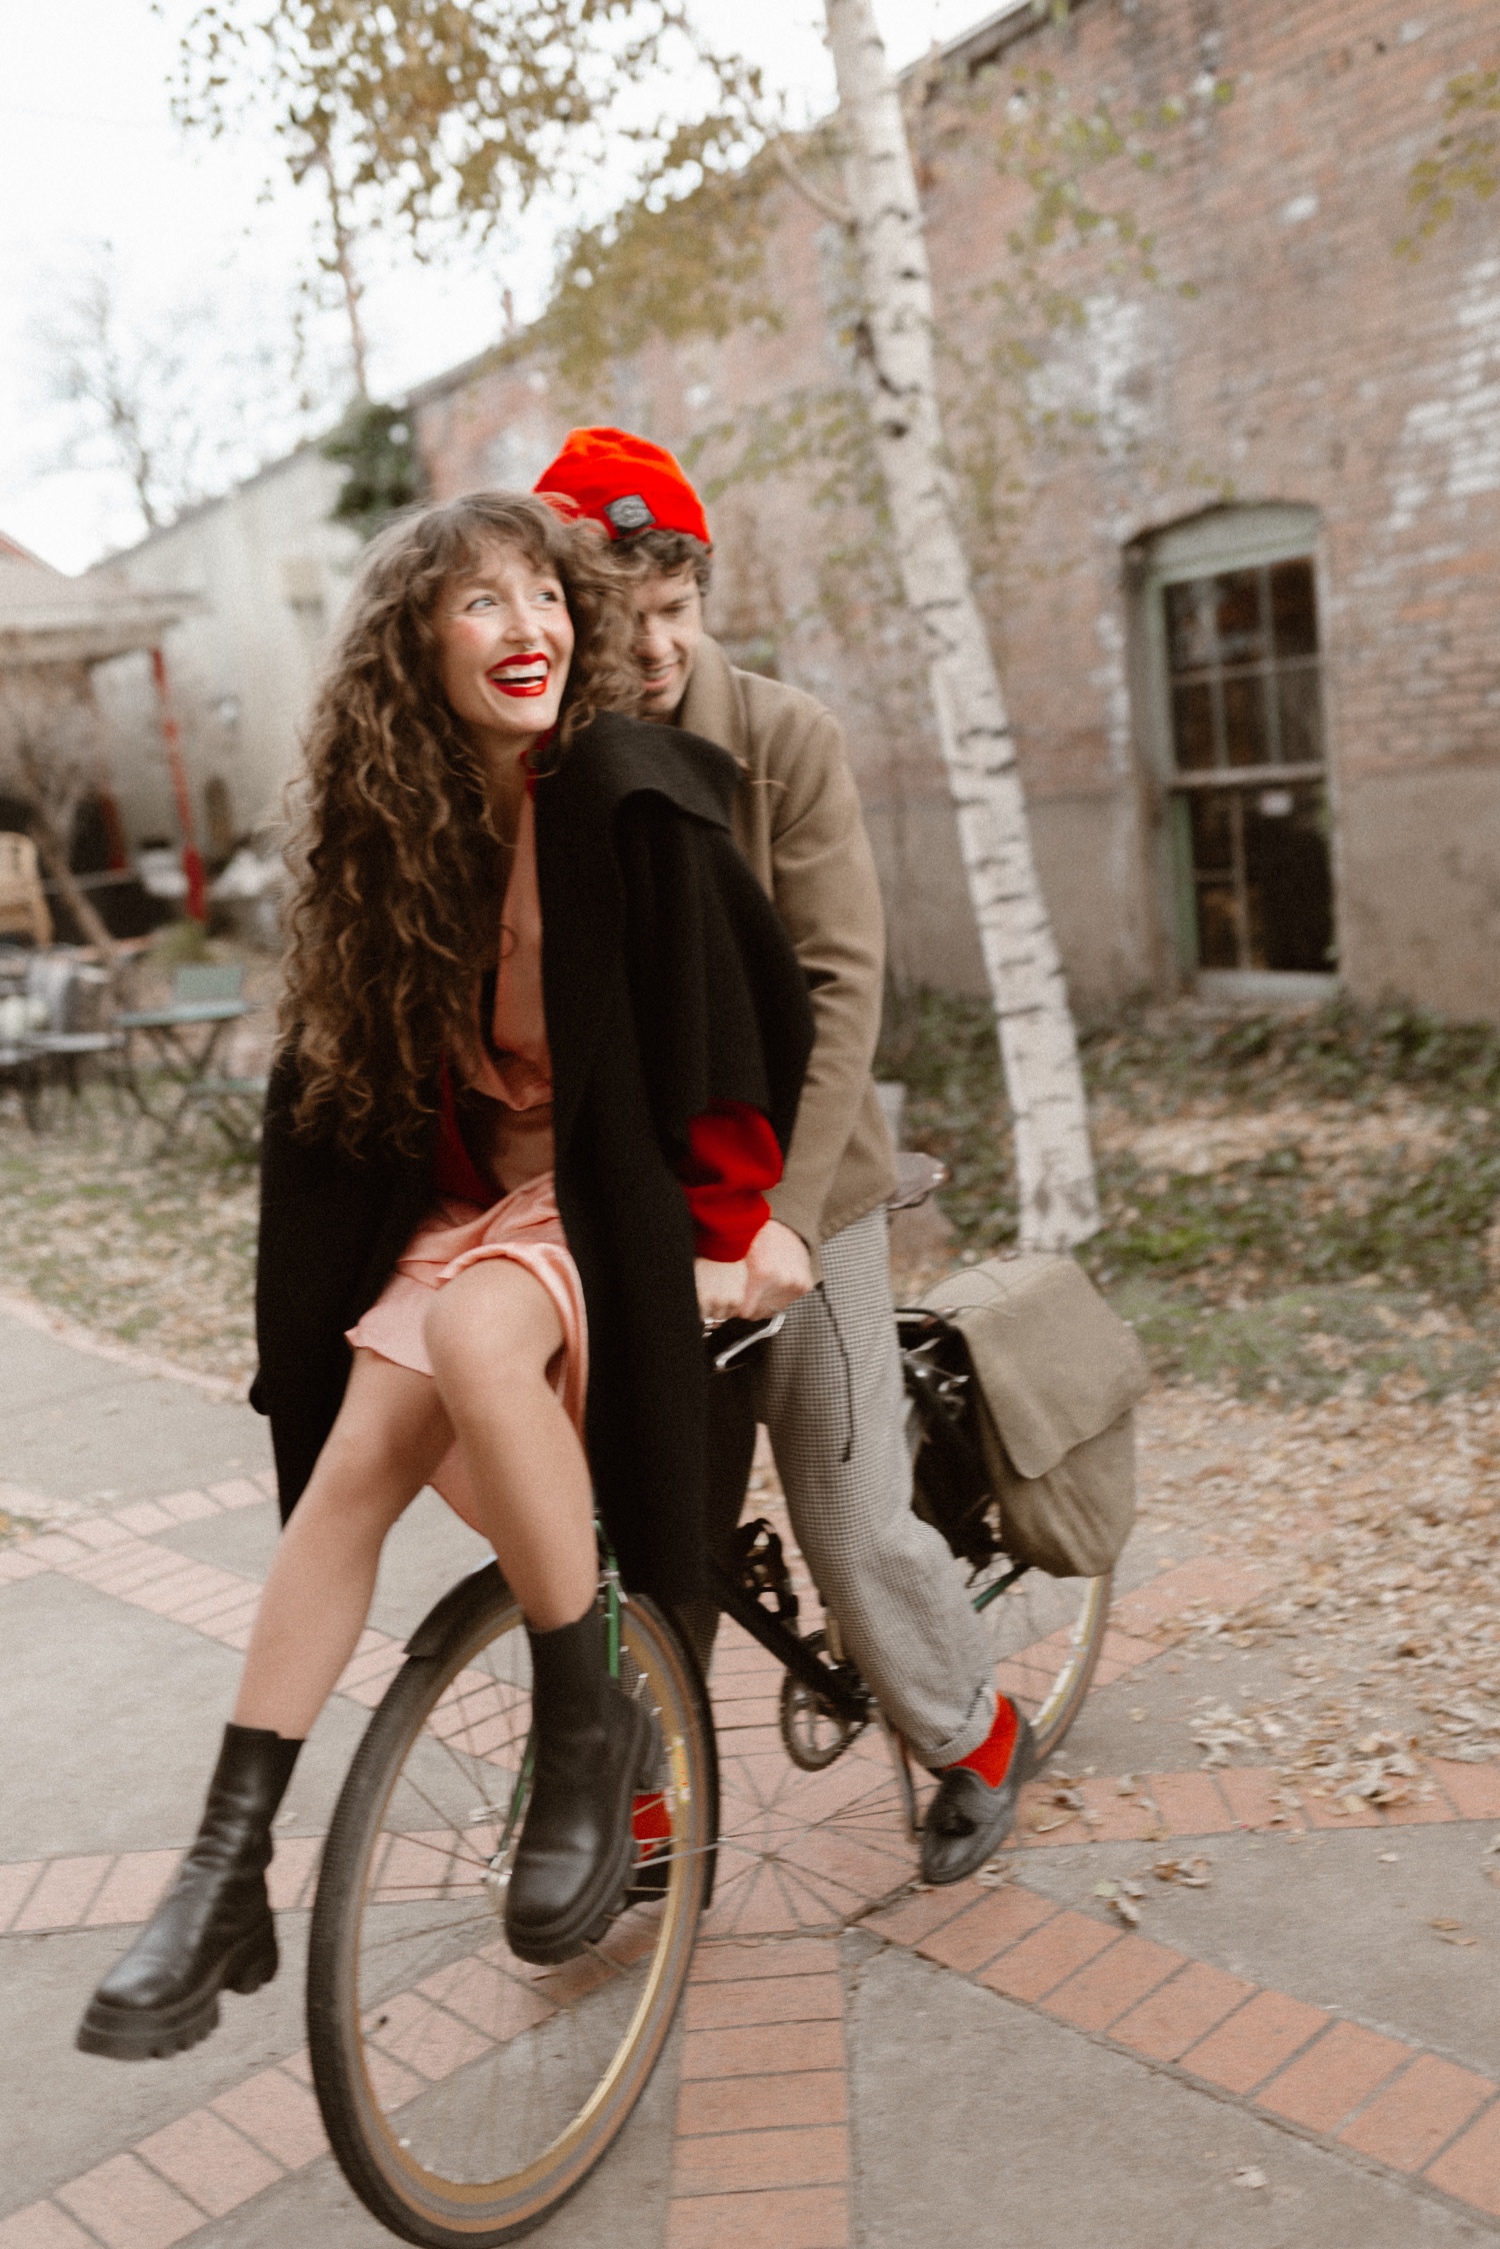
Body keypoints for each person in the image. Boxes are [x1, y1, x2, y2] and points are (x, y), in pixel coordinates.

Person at [76, 491, 812, 2063]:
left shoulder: (621, 785)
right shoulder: (385, 835)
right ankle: (227, 1868)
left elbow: (731, 1001)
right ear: (417, 641)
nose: (528, 626)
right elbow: (338, 1094)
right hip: (481, 1210)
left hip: (608, 1207)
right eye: (481, 603)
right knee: (348, 1469)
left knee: (482, 1338)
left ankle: (584, 1737)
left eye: (543, 595)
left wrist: (740, 1225)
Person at [533, 430, 1034, 1886]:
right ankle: (642, 1810)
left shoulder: (788, 739)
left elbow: (839, 987)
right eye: (617, 624)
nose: (649, 654)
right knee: (640, 1524)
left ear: (699, 594)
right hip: (650, 1199)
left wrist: (791, 1224)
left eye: (673, 616)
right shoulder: (555, 763)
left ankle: (973, 1731)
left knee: (850, 1514)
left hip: (807, 1185)